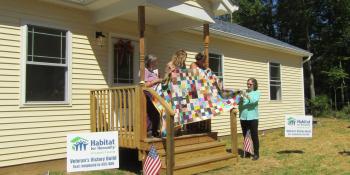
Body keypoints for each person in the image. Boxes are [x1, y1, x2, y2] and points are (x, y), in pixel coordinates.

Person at [239, 78, 261, 160]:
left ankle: (256, 154)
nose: (248, 85)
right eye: (247, 84)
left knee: (254, 136)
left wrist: (246, 96)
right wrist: (240, 99)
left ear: (254, 85)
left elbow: (253, 101)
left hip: (253, 117)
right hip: (243, 117)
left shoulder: (257, 92)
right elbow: (240, 103)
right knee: (245, 136)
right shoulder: (244, 92)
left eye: (250, 84)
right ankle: (247, 152)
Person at [144, 54, 162, 137]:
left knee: (156, 113)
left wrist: (159, 78)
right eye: (154, 61)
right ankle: (149, 131)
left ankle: (154, 131)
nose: (156, 63)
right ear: (150, 62)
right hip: (148, 94)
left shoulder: (152, 71)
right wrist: (156, 81)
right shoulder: (144, 70)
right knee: (151, 113)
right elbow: (144, 85)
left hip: (155, 94)